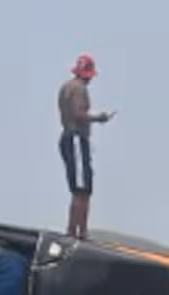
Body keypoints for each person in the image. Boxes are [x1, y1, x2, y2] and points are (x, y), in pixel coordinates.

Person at [58, 53, 113, 240]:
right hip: (76, 138)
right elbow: (78, 114)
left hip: (69, 137)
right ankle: (79, 232)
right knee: (83, 190)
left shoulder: (66, 87)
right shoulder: (79, 89)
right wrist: (99, 118)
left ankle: (74, 230)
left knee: (79, 189)